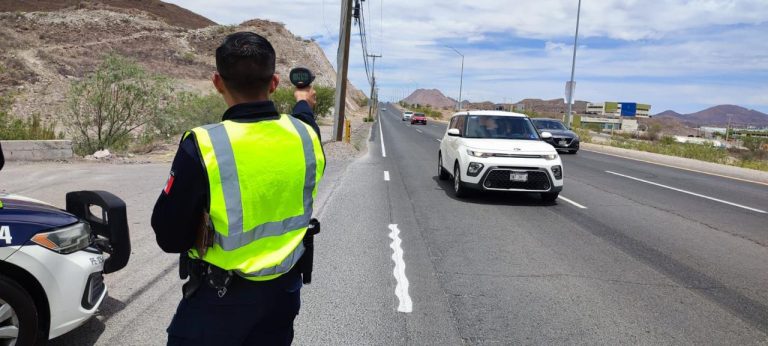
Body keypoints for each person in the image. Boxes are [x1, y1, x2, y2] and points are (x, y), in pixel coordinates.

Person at [151, 32, 325, 345]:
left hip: (219, 301)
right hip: (283, 295)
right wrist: (303, 103)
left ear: (217, 82)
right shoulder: (306, 137)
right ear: (273, 83)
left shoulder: (203, 145)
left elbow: (169, 235)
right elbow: (304, 119)